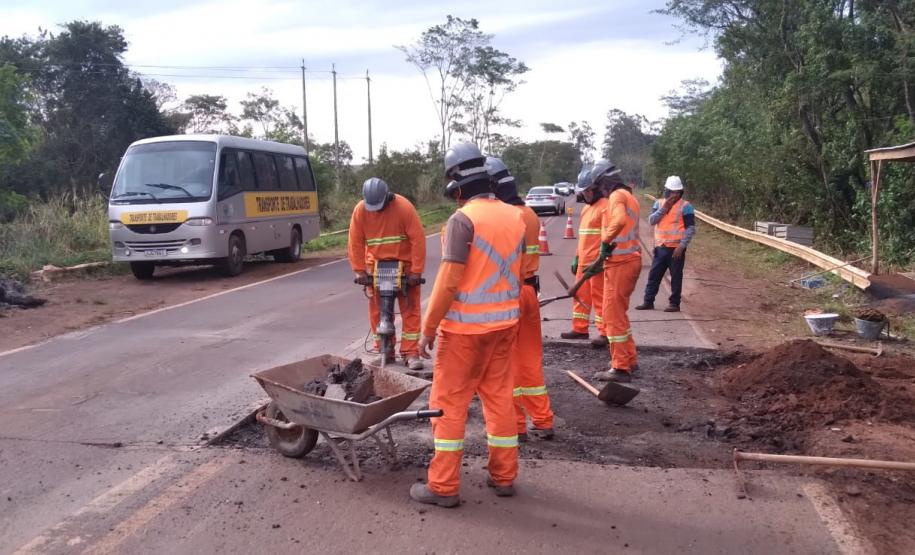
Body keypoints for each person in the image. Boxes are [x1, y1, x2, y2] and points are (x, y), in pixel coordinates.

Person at [411, 142, 525, 508]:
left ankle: (443, 486)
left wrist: (427, 329)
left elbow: (448, 281)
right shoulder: (516, 217)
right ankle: (504, 476)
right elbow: (515, 273)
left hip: (464, 334)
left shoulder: (463, 220)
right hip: (505, 326)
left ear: (456, 186)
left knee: (448, 405)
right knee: (500, 400)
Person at [486, 156, 555, 442]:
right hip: (529, 293)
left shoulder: (504, 217)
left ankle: (515, 424)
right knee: (529, 359)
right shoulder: (528, 214)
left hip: (508, 296)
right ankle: (543, 419)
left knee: (504, 364)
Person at [347, 178, 426, 371]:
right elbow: (355, 241)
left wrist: (416, 271)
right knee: (378, 312)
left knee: (410, 310)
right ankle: (385, 349)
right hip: (376, 269)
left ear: (388, 197)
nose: (375, 210)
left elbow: (418, 239)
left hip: (404, 268)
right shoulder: (360, 211)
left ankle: (410, 352)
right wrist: (359, 270)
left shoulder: (404, 207)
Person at [588, 161, 642, 383]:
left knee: (612, 316)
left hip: (621, 263)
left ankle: (620, 367)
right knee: (619, 314)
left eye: (600, 186)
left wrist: (605, 240)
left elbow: (619, 221)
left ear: (604, 182)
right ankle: (629, 359)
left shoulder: (617, 197)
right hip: (627, 261)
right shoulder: (630, 196)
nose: (601, 191)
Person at [560, 165, 610, 348]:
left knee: (599, 298)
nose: (585, 195)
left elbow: (608, 238)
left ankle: (604, 333)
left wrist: (601, 261)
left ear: (594, 189)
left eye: (587, 191)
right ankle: (579, 328)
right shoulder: (587, 209)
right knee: (579, 296)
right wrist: (576, 258)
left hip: (597, 264)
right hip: (584, 262)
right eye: (584, 192)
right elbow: (583, 238)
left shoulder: (605, 207)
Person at [636, 176, 695, 313]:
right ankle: (648, 301)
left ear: (681, 192)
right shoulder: (659, 203)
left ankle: (674, 304)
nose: (674, 195)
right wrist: (665, 208)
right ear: (666, 191)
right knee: (654, 275)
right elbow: (652, 220)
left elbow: (690, 228)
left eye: (677, 192)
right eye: (672, 192)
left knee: (675, 277)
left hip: (676, 249)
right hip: (660, 247)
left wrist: (682, 246)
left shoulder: (686, 207)